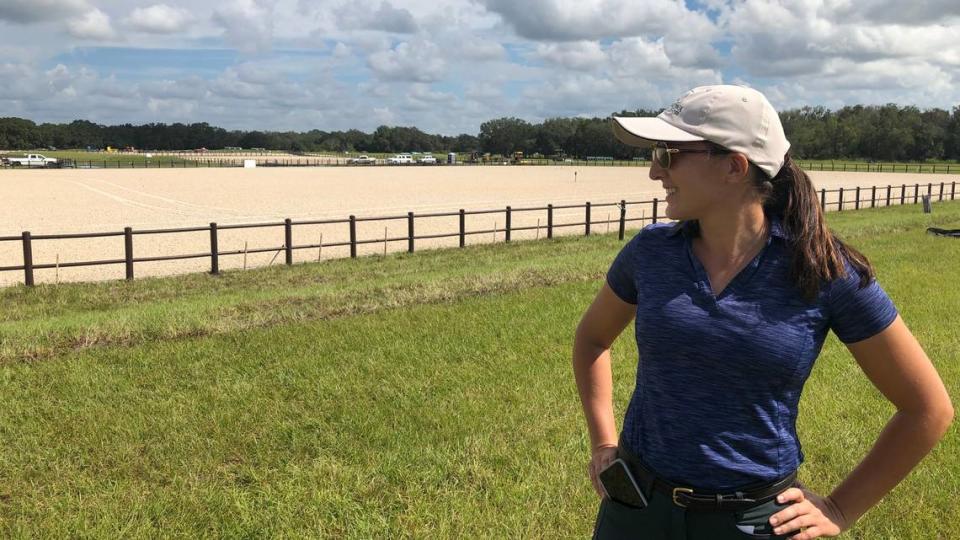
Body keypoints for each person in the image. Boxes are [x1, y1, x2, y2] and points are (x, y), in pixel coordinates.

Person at [572, 85, 953, 539]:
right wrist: (603, 442)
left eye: (668, 154)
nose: (655, 171)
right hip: (636, 510)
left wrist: (838, 509)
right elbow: (593, 339)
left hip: (755, 522)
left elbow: (927, 409)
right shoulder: (651, 252)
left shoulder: (823, 270)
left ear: (734, 166)